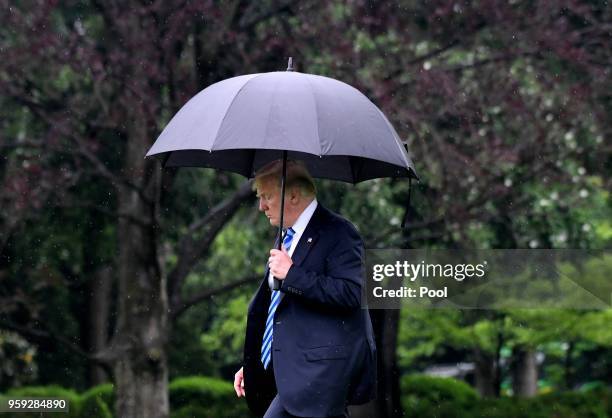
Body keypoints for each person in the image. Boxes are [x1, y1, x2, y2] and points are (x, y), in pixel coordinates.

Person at [234, 160, 377, 418]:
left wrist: (292, 274)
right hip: (296, 376)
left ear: (293, 196)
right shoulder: (285, 236)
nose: (261, 206)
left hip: (322, 379)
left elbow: (351, 293)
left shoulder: (340, 233)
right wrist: (256, 363)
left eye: (266, 197)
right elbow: (281, 310)